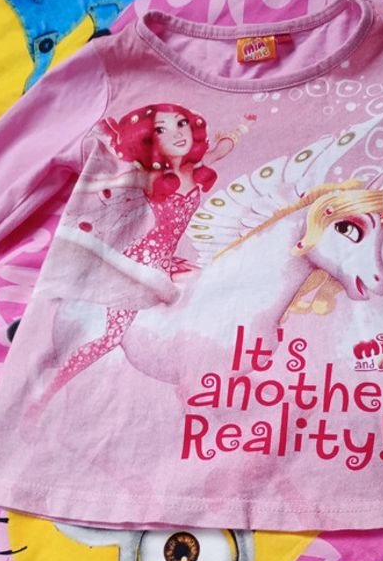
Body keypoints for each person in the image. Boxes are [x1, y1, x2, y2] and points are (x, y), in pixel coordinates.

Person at [37, 103, 249, 405]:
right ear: (151, 141)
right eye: (162, 129)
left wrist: (242, 128)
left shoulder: (194, 167)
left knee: (214, 285)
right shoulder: (149, 175)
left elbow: (221, 150)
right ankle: (50, 390)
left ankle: (201, 373)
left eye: (181, 123)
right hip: (141, 263)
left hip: (167, 260)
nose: (177, 133)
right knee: (110, 338)